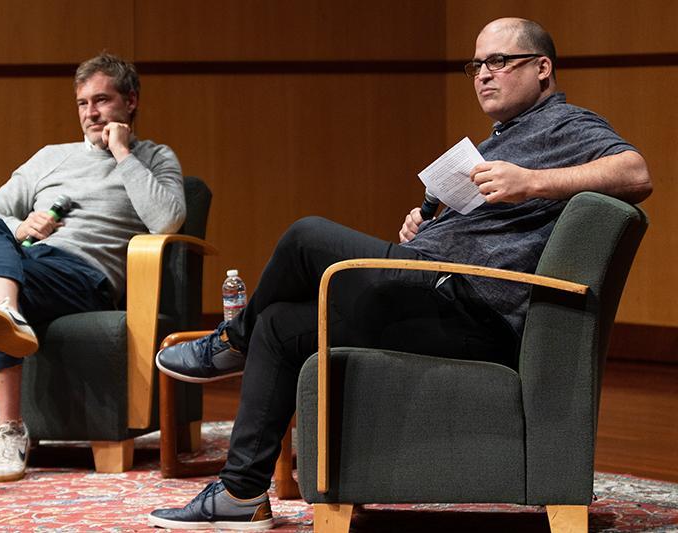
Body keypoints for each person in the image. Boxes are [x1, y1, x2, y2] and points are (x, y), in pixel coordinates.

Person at [149, 17, 652, 531]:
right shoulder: (503, 137)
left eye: (499, 61)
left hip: (468, 307)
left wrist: (533, 182)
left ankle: (232, 340)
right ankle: (240, 492)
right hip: (430, 292)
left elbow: (635, 172)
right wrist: (430, 222)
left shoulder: (565, 126)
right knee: (279, 326)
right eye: (476, 64)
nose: (482, 74)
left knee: (306, 236)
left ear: (542, 68)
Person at [0, 53, 185, 483]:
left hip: (85, 276)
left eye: (101, 100)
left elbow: (167, 220)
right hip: (27, 264)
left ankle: (9, 427)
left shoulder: (154, 157)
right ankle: (8, 311)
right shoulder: (51, 158)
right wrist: (22, 223)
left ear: (131, 101)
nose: (91, 113)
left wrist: (122, 153)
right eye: (83, 103)